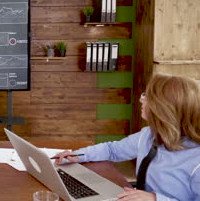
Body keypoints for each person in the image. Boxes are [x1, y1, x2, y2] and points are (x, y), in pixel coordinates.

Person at [54, 73, 200, 200]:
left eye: (147, 96)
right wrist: (79, 155)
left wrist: (156, 199)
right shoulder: (149, 135)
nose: (141, 100)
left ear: (164, 108)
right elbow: (113, 150)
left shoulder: (196, 160)